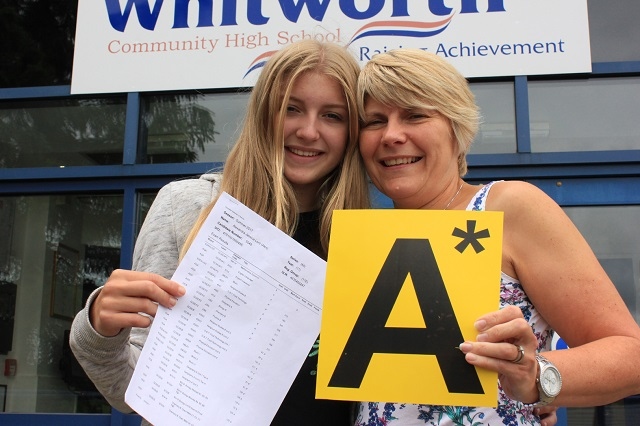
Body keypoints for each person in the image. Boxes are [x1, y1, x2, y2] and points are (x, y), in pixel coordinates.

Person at [70, 39, 370, 425]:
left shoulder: (365, 237)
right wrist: (99, 327)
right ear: (264, 115)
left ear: (352, 131)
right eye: (291, 109)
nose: (309, 131)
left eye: (332, 116)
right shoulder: (188, 208)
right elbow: (133, 388)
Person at [353, 48, 640, 426]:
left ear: (457, 129)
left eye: (414, 115)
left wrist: (537, 374)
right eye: (374, 121)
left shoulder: (507, 207)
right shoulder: (360, 238)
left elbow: (630, 354)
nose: (391, 135)